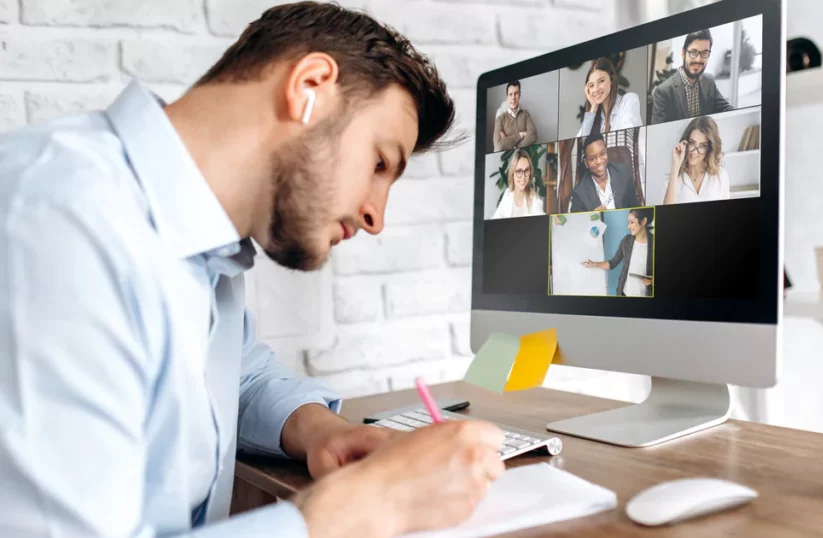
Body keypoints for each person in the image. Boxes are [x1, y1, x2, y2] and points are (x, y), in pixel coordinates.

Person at [0, 3, 505, 538]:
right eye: (379, 162)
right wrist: (358, 511)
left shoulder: (199, 249)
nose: (376, 217)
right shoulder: (62, 222)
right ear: (309, 86)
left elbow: (234, 374)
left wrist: (317, 429)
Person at [651, 29, 734, 124]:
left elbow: (726, 109)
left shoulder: (709, 81)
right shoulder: (663, 92)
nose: (698, 60)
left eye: (704, 53)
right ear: (683, 53)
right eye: (694, 52)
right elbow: (657, 131)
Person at [581, 208, 654, 297]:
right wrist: (594, 264)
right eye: (628, 222)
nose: (628, 226)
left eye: (632, 222)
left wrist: (652, 280)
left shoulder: (655, 243)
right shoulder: (626, 241)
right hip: (623, 294)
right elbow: (613, 263)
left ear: (643, 222)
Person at [664, 116, 731, 204]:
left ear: (709, 148)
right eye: (692, 143)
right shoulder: (674, 178)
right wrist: (675, 167)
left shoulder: (720, 176)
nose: (695, 152)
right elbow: (667, 213)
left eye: (702, 146)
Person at [570, 133, 640, 213]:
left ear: (607, 153)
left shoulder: (624, 173)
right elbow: (577, 223)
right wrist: (592, 216)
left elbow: (635, 208)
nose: (599, 161)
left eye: (602, 154)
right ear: (586, 163)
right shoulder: (579, 193)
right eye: (592, 159)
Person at [575, 57, 642, 137]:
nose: (596, 89)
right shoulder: (596, 116)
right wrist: (593, 108)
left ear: (612, 80)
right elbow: (579, 145)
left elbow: (629, 138)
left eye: (601, 81)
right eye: (591, 85)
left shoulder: (629, 100)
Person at [493, 149, 545, 218]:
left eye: (526, 170)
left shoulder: (534, 199)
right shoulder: (508, 193)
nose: (523, 177)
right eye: (519, 171)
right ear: (512, 174)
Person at [493, 81, 537, 151]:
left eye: (516, 93)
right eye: (510, 94)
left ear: (519, 95)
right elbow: (499, 146)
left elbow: (533, 136)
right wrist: (521, 135)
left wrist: (512, 145)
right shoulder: (500, 119)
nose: (513, 98)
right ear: (507, 97)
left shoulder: (525, 114)